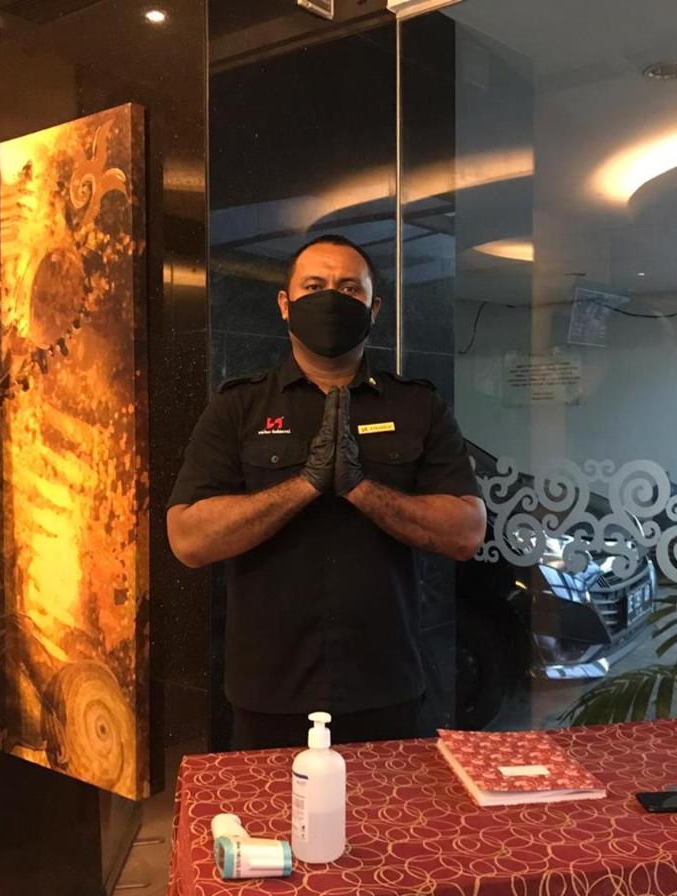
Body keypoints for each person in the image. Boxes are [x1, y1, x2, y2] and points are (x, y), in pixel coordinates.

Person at [167, 234, 486, 750]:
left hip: (385, 683)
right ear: (285, 304)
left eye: (349, 288)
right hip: (270, 689)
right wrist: (304, 485)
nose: (332, 299)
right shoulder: (238, 407)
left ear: (373, 308)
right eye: (314, 287)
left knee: (386, 807)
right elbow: (188, 539)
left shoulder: (417, 406)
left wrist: (362, 488)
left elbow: (466, 533)